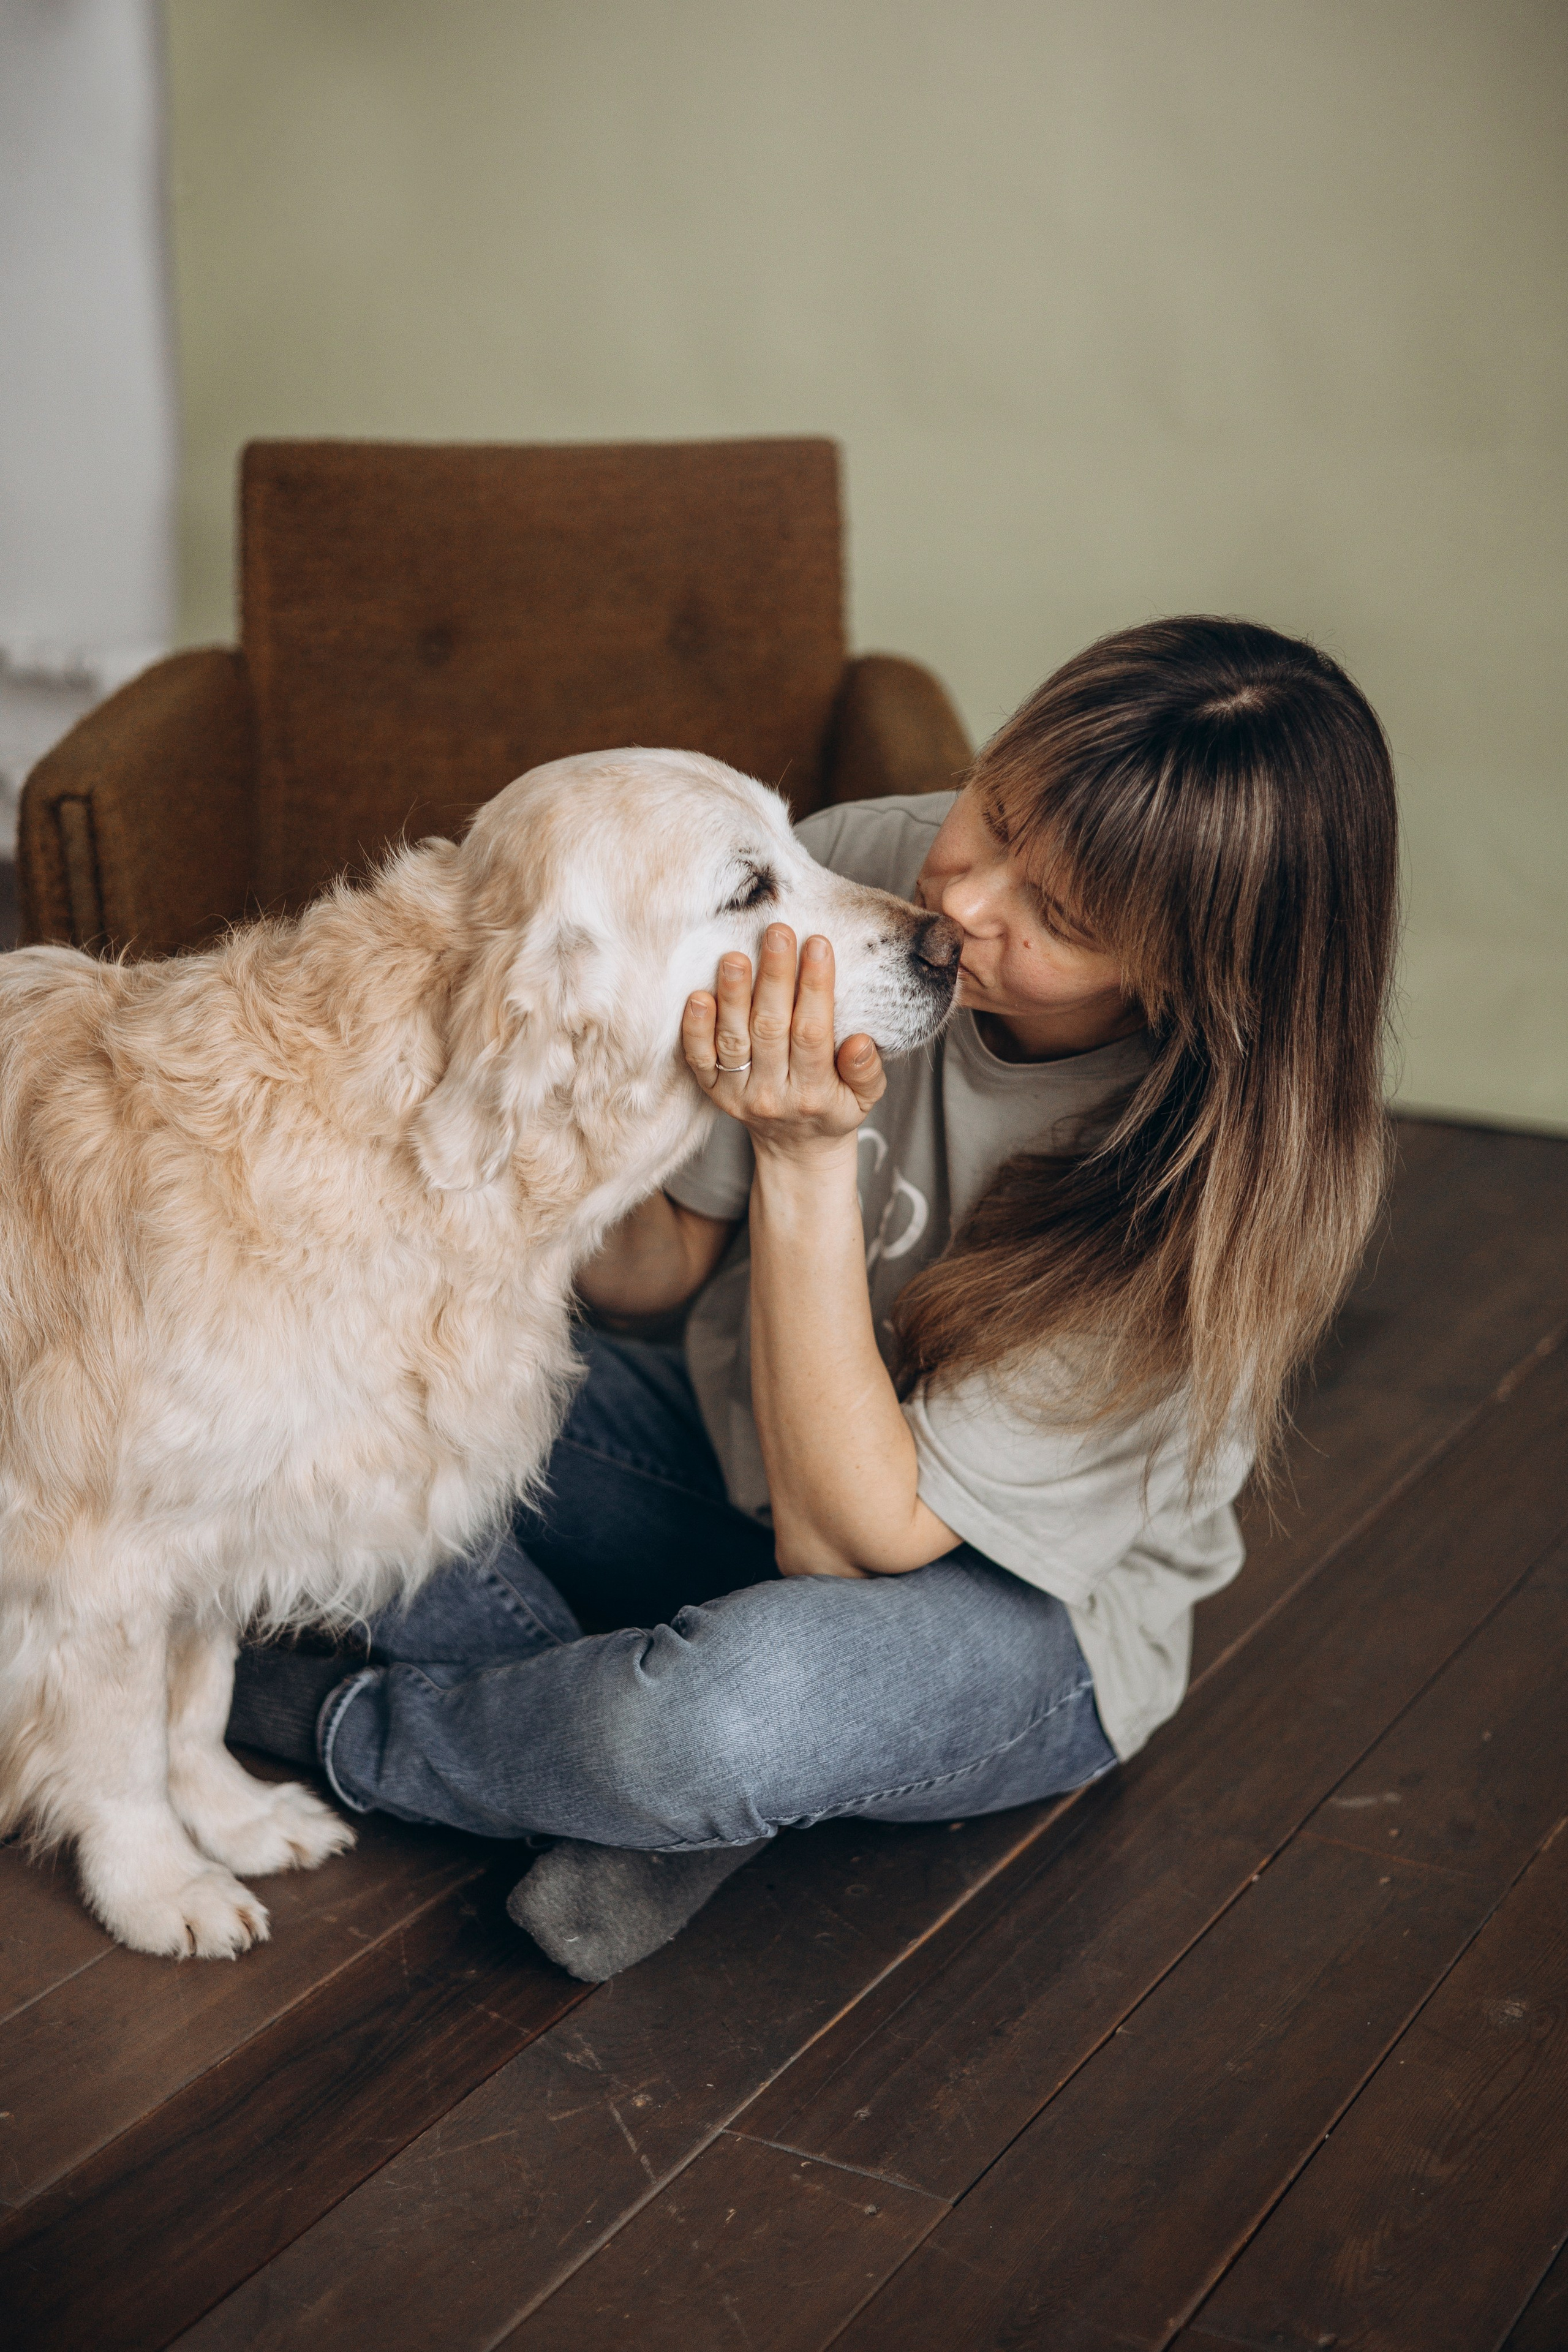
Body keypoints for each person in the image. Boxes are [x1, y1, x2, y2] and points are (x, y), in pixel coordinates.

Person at [230, 616, 1398, 1978]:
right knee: (370, 1381)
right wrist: (551, 1100)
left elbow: (846, 1544)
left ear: (1192, 974)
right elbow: (653, 1273)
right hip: (722, 1458)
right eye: (995, 812)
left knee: (714, 1722)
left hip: (989, 1607)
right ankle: (607, 1781)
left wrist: (802, 1155)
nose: (964, 902)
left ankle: (317, 1716)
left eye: (1060, 919)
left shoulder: (1223, 1184)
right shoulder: (843, 873)